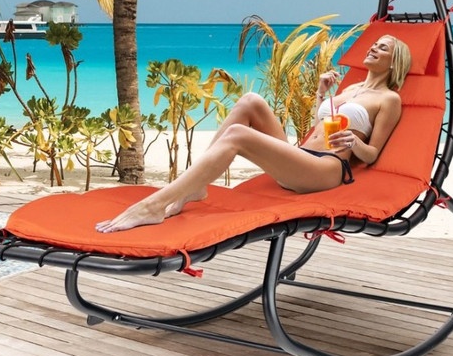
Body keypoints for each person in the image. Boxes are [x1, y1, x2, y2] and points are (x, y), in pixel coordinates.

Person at [96, 33, 412, 233]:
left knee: (237, 134)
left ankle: (154, 205)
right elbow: (321, 126)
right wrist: (321, 93)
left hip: (326, 169)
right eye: (374, 43)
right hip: (303, 157)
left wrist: (355, 141)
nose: (373, 47)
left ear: (394, 61)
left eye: (382, 47)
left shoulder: (389, 99)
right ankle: (195, 187)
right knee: (250, 101)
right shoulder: (351, 88)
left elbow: (372, 154)